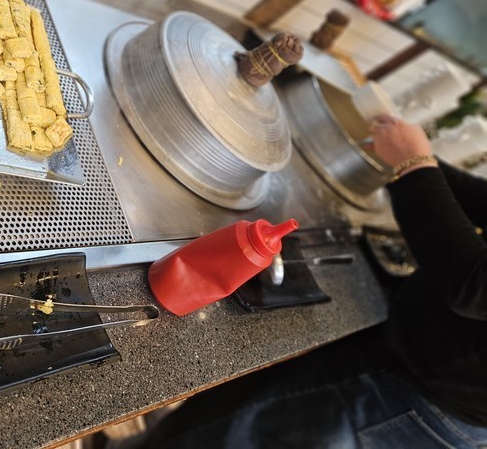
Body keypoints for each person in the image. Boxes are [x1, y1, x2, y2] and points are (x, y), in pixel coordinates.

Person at [138, 115, 487, 448]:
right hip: (413, 345)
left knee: (222, 434)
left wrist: (414, 164)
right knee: (221, 413)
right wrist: (414, 158)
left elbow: (470, 284)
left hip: (424, 395)